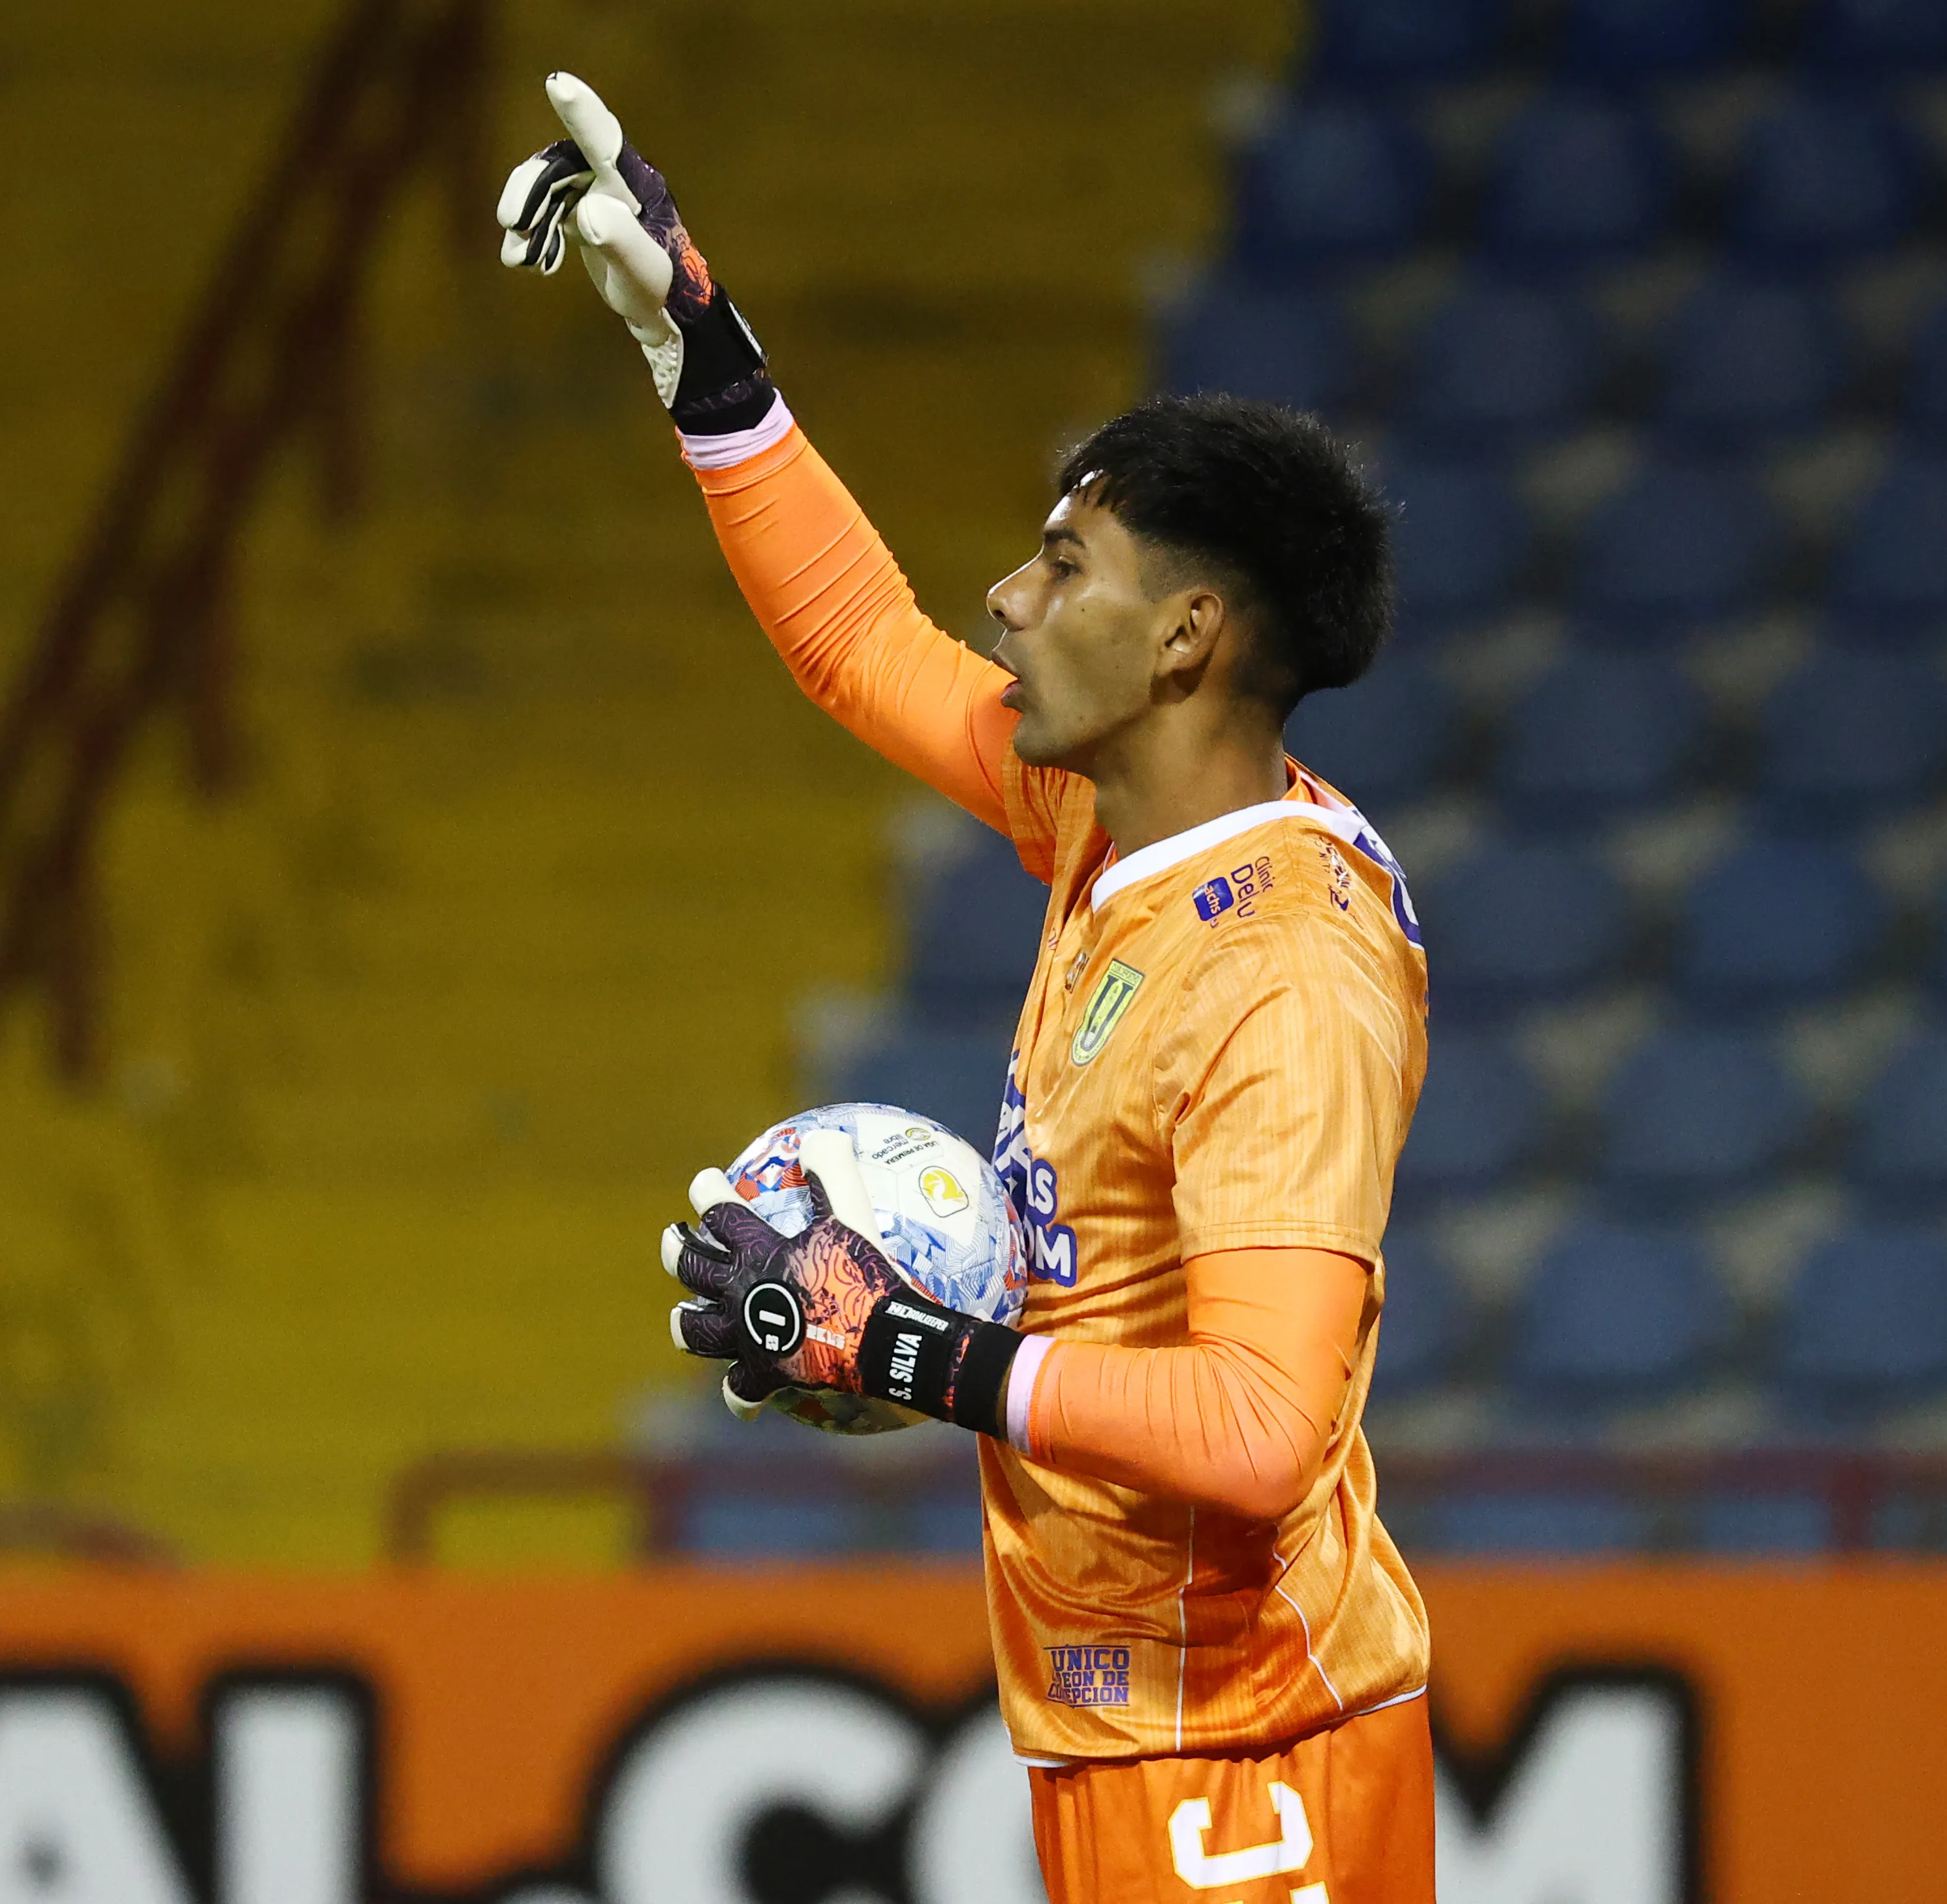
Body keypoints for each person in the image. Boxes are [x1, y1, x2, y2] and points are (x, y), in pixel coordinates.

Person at [499, 77, 1434, 1902]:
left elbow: (1260, 1432)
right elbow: (860, 645)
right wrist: (704, 351)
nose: (1007, 596)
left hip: (1245, 1762)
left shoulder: (1282, 980)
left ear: (1186, 640)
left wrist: (904, 1345)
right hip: (1130, 1723)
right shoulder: (1105, 814)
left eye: (1063, 564)